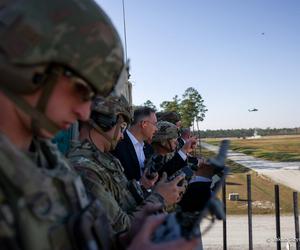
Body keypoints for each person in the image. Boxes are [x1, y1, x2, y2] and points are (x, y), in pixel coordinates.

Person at [0, 0, 198, 250]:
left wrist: (134, 237)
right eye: (80, 90)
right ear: (28, 68)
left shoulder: (48, 160)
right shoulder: (72, 165)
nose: (84, 112)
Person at [67, 95, 185, 233]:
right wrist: (160, 198)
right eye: (122, 127)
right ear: (105, 122)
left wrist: (142, 185)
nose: (122, 135)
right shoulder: (84, 167)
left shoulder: (105, 159)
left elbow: (124, 200)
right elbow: (122, 227)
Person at [113, 107, 158, 181]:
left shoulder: (148, 147)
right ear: (144, 124)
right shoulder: (118, 145)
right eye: (155, 124)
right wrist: (141, 185)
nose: (156, 129)